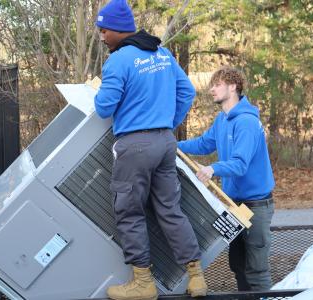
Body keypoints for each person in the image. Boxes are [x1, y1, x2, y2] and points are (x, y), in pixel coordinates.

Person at [93, 0, 208, 299]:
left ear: (118, 30)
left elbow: (104, 107)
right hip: (165, 142)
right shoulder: (162, 52)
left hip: (135, 146)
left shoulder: (118, 61)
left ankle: (143, 284)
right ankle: (197, 277)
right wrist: (168, 122)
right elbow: (187, 91)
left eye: (104, 31)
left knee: (129, 212)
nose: (102, 37)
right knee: (170, 209)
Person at [178, 66, 275, 291]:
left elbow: (240, 164)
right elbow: (203, 144)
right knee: (238, 265)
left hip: (256, 206)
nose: (211, 89)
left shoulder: (247, 122)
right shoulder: (222, 120)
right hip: (233, 205)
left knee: (257, 270)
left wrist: (212, 169)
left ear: (233, 86)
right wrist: (171, 145)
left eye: (217, 84)